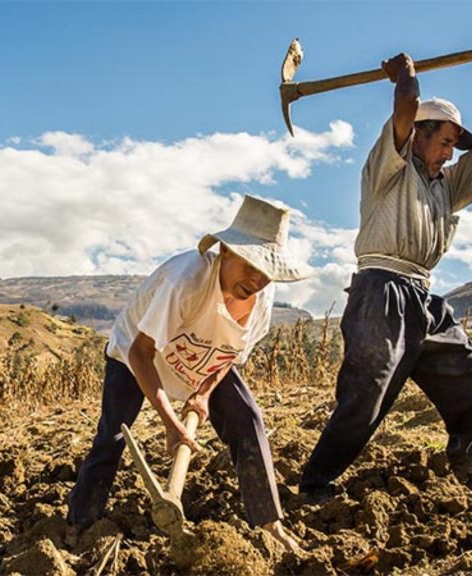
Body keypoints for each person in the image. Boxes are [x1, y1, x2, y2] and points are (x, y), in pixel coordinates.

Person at [299, 40, 472, 502]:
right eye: (446, 142)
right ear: (419, 135)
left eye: (455, 146)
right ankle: (315, 483)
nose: (451, 154)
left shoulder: (446, 186)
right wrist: (404, 76)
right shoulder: (388, 169)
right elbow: (408, 104)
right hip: (381, 289)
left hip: (424, 297)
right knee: (369, 388)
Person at [67, 195, 309, 552]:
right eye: (250, 264)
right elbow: (141, 352)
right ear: (225, 251)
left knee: (248, 420)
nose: (257, 279)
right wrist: (169, 421)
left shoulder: (262, 300)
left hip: (200, 362)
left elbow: (230, 355)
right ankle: (80, 524)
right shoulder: (186, 281)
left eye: (266, 271)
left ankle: (270, 524)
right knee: (113, 436)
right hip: (136, 356)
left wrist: (203, 394)